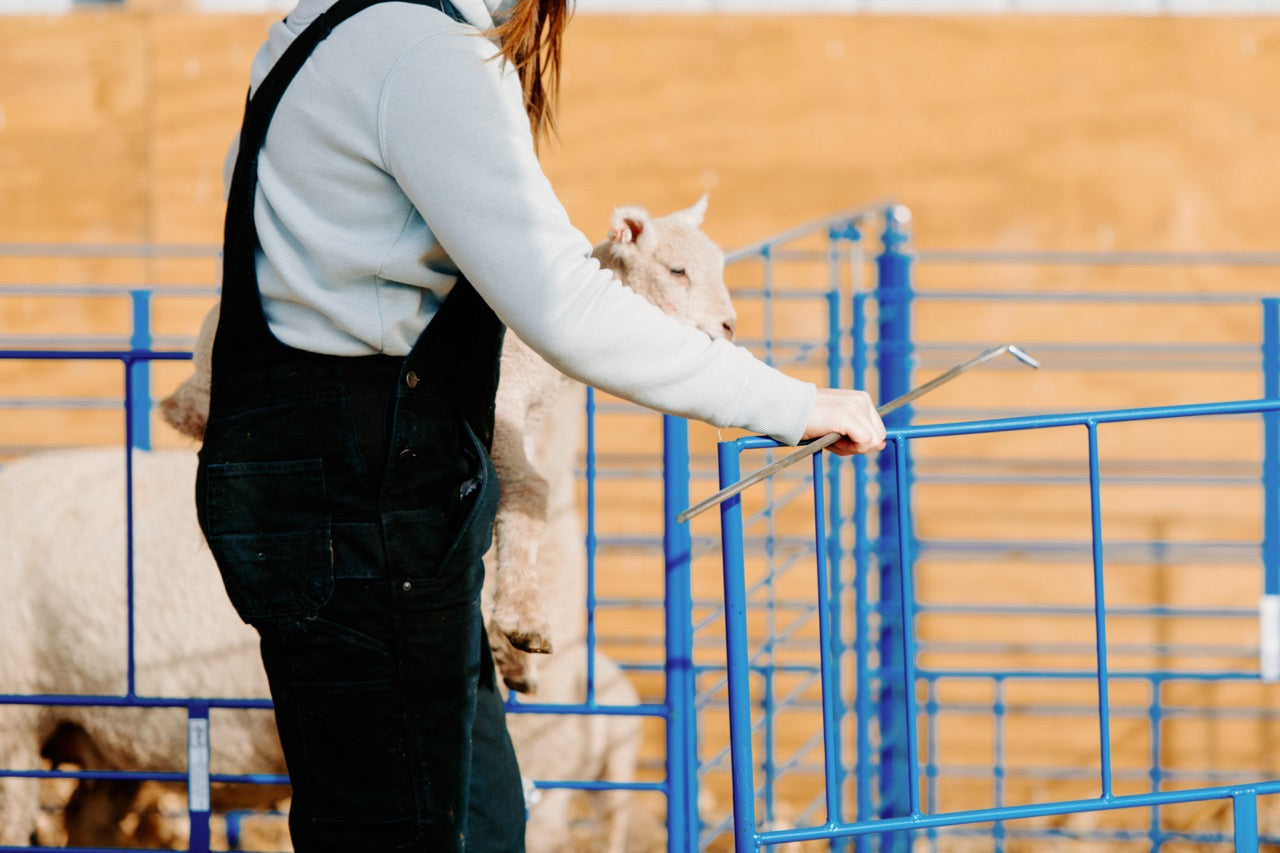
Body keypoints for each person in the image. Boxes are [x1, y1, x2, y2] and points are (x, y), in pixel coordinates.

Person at [194, 0, 887, 850]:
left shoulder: (314, 26)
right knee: (408, 825)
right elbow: (564, 300)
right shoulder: (426, 54)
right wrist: (786, 401)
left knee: (473, 819)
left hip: (340, 498)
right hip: (369, 514)